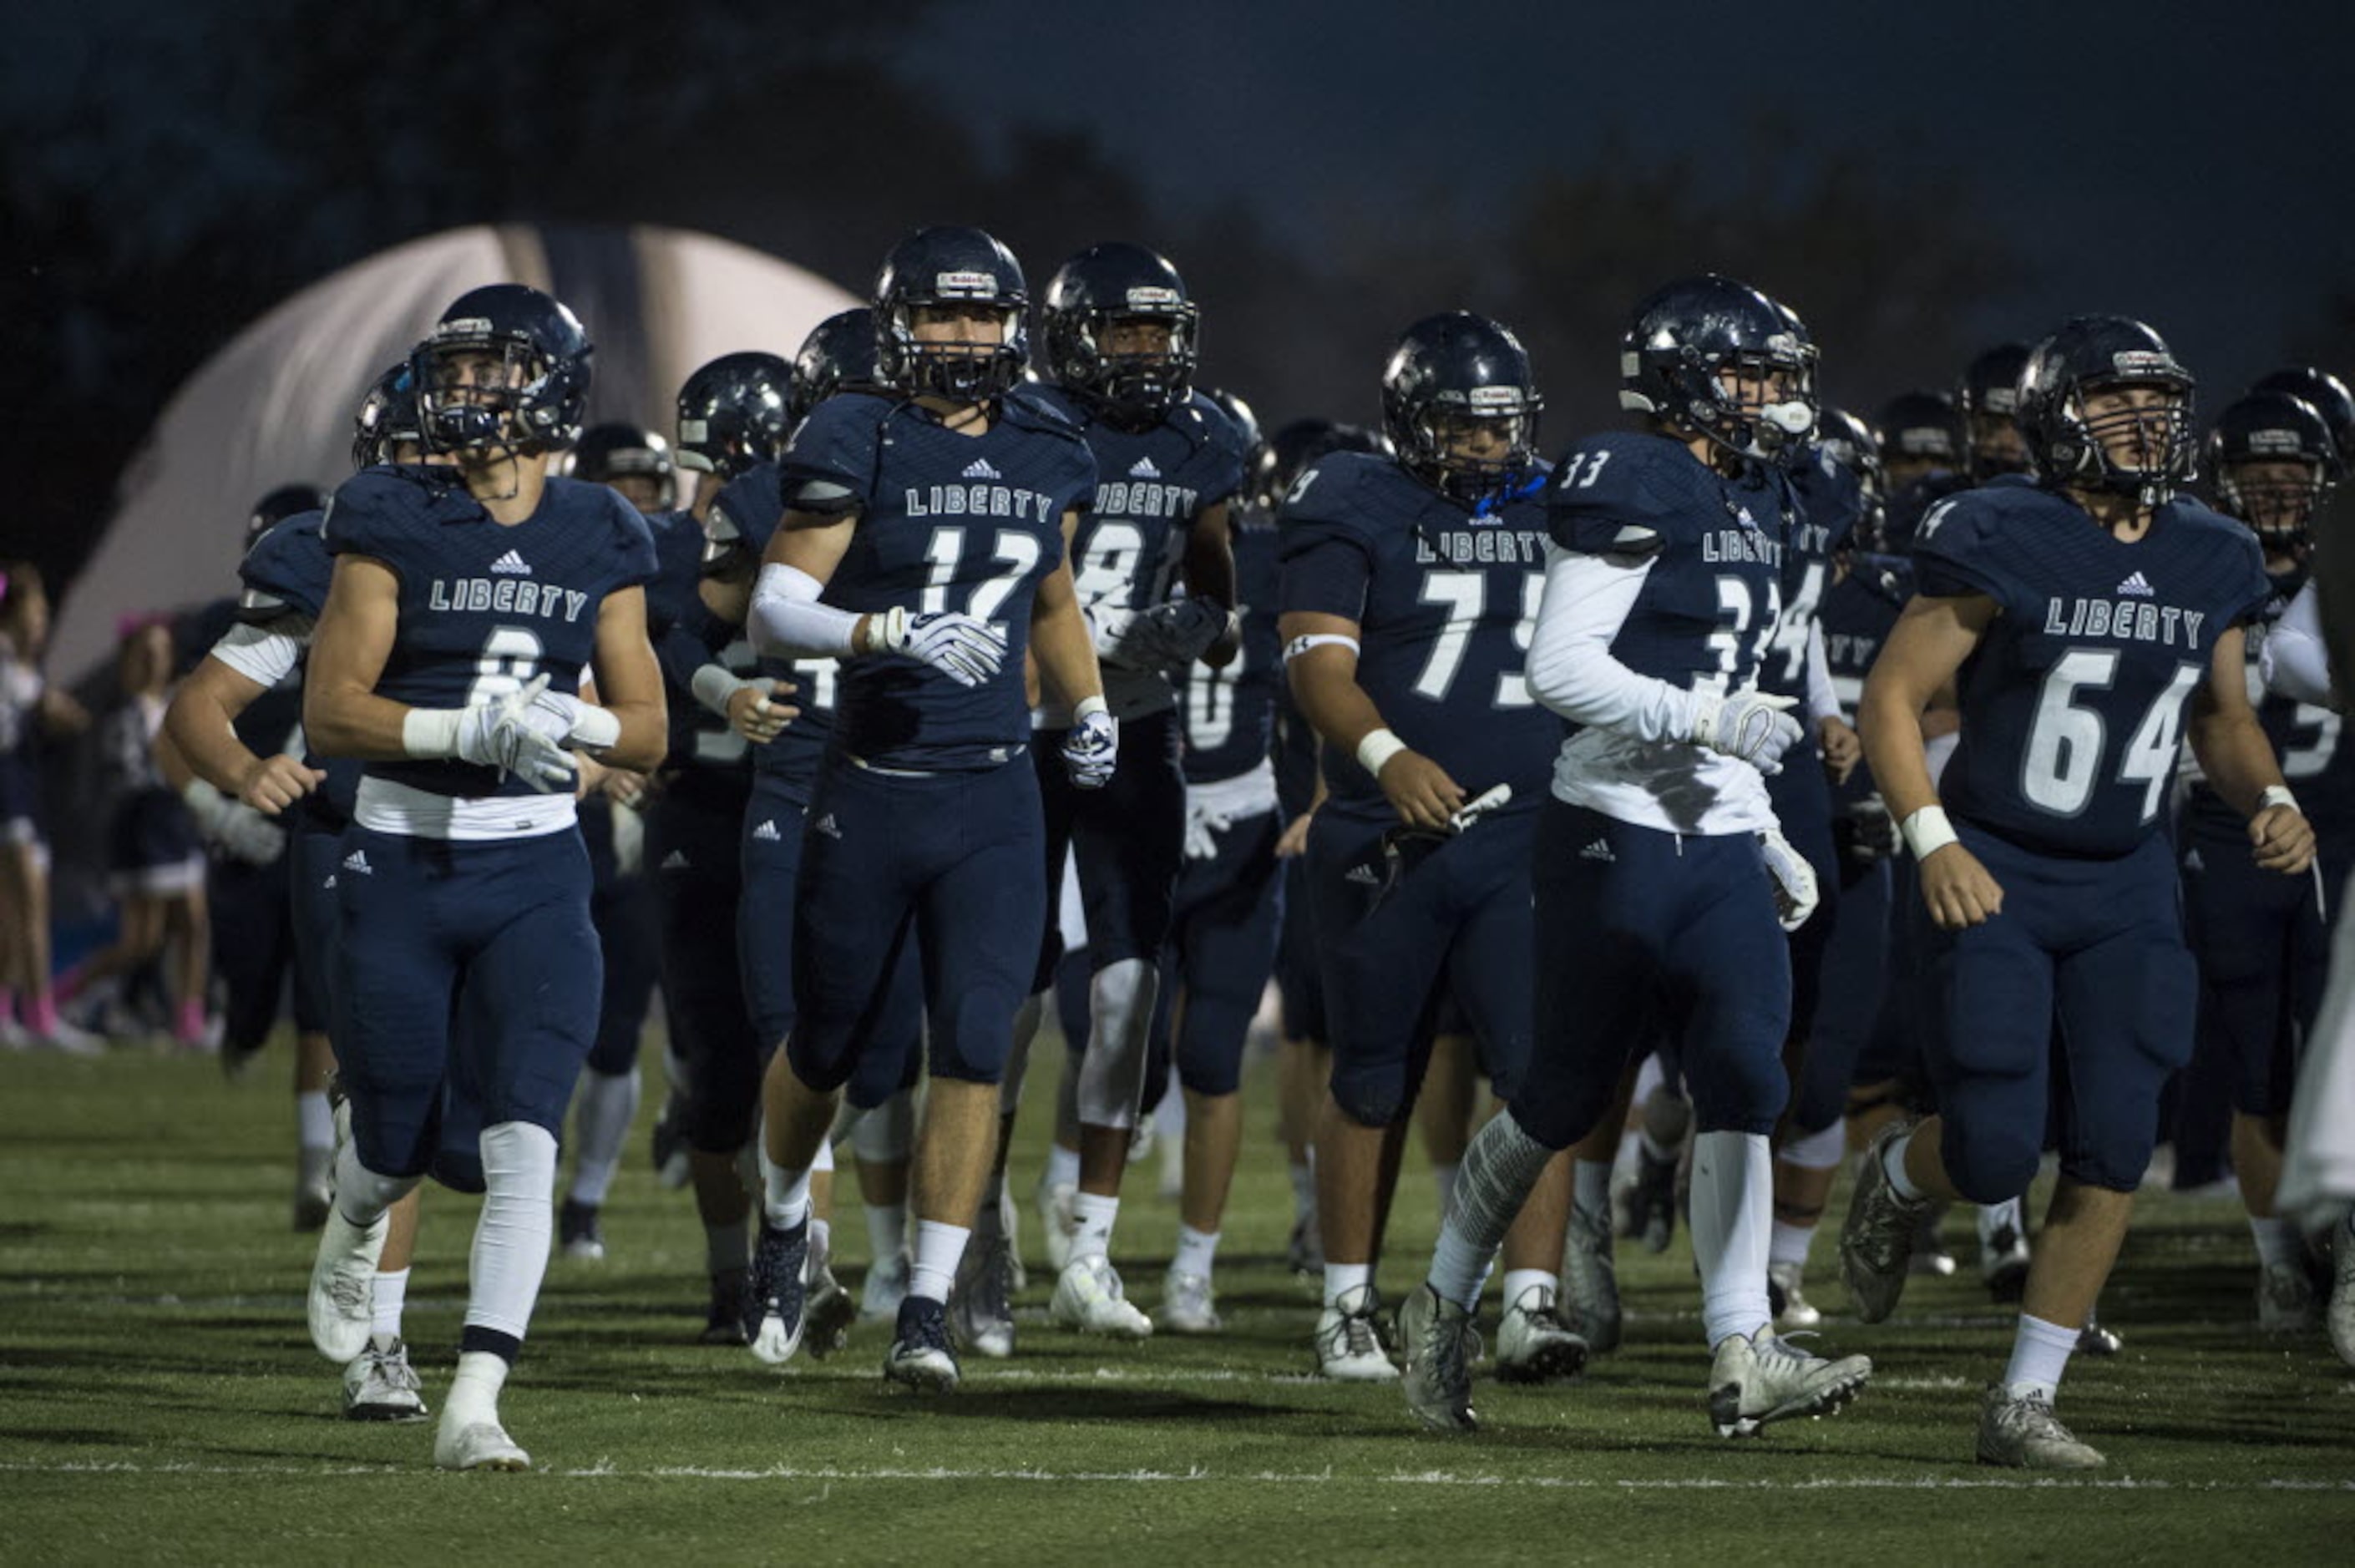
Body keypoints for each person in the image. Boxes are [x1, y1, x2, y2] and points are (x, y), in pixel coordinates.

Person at [1395, 276, 1872, 1438]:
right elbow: (1560, 668)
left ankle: (1739, 1347)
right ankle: (1441, 1303)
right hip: (1611, 821)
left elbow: (1730, 691)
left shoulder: (1752, 498)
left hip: (1715, 835)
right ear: (1689, 379)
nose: (1772, 395)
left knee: (1749, 1080)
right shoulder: (1635, 472)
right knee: (1559, 1096)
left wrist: (1756, 816)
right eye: (1750, 373)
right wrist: (1712, 729)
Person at [1847, 316, 2308, 1469]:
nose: (2147, 421)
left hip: (2130, 878)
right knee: (1997, 1146)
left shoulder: (2213, 550)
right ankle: (1900, 1172)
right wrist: (1930, 835)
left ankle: (2026, 1396)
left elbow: (2226, 717)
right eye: (2115, 401)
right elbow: (1893, 698)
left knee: (2112, 1131)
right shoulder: (2002, 530)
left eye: (2159, 399)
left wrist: (2269, 796)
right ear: (2060, 418)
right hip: (1998, 860)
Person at [302, 284, 666, 1470]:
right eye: (452, 372)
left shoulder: (602, 525)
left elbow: (650, 730)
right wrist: (468, 730)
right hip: (404, 859)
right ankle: (352, 1232)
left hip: (533, 873)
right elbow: (332, 711)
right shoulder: (386, 508)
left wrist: (567, 715)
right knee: (396, 1143)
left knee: (524, 1136)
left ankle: (477, 1396)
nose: (465, 394)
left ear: (551, 386)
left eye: (491, 372)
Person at [740, 225, 1102, 1393]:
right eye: (943, 317)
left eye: (984, 317)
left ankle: (929, 1305)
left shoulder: (1047, 439)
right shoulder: (858, 432)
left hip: (995, 789)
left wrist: (1085, 707)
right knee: (832, 1040)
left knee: (979, 1040)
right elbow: (773, 609)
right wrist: (882, 628)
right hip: (875, 783)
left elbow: (1050, 596)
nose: (965, 338)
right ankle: (786, 1211)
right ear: (902, 327)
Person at [1280, 311, 1583, 1389]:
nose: (1489, 445)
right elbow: (1316, 667)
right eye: (1464, 425)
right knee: (1371, 1075)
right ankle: (1346, 1305)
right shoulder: (1349, 498)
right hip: (1386, 829)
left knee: (1539, 1072)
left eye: (1503, 425)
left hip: (1527, 828)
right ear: (1412, 423)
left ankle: (1532, 1303)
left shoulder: (1562, 503)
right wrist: (1384, 754)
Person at [975, 240, 1248, 1349]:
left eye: (1157, 332)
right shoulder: (1034, 426)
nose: (1143, 354)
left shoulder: (1208, 437)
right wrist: (1083, 656)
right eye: (1122, 332)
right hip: (1026, 734)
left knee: (1136, 989)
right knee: (1016, 991)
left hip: (1137, 730)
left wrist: (1193, 623)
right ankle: (978, 1225)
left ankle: (1088, 1247)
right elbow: (1031, 587)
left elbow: (1215, 580)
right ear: (1074, 336)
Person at [2180, 389, 2349, 1330]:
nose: (2280, 494)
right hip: (2232, 833)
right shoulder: (2202, 564)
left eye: (2296, 476)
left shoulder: (2343, 571)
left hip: (2346, 833)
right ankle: (2279, 1262)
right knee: (2258, 1068)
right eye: (2261, 475)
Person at [0, 563, 93, 1050]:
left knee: (13, 912)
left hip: (25, 791)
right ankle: (39, 1015)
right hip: (8, 791)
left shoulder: (25, 666)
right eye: (36, 612)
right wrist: (51, 710)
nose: (42, 622)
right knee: (30, 906)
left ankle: (8, 1014)